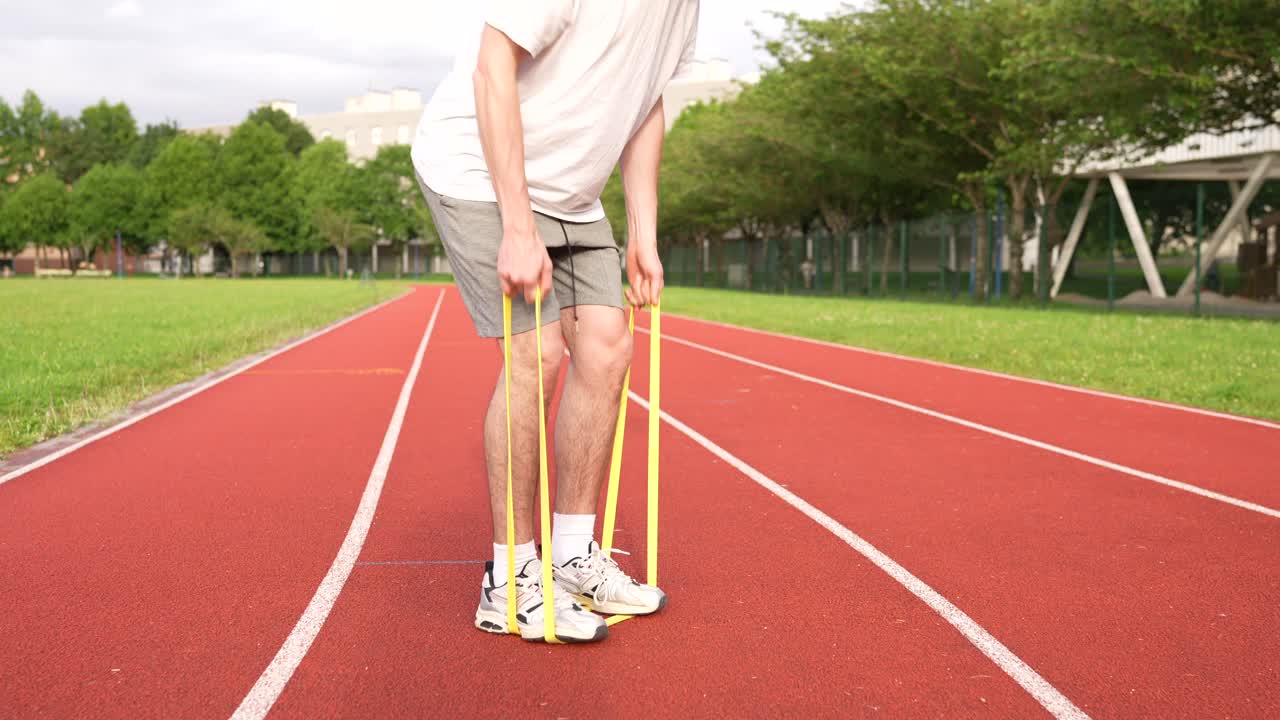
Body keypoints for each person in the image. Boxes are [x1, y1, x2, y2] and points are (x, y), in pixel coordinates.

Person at [412, 1, 699, 643]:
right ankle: (509, 579)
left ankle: (571, 557)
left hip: (573, 193)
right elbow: (493, 67)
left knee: (606, 346)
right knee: (535, 355)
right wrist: (517, 227)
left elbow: (645, 100)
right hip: (480, 172)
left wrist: (643, 232)